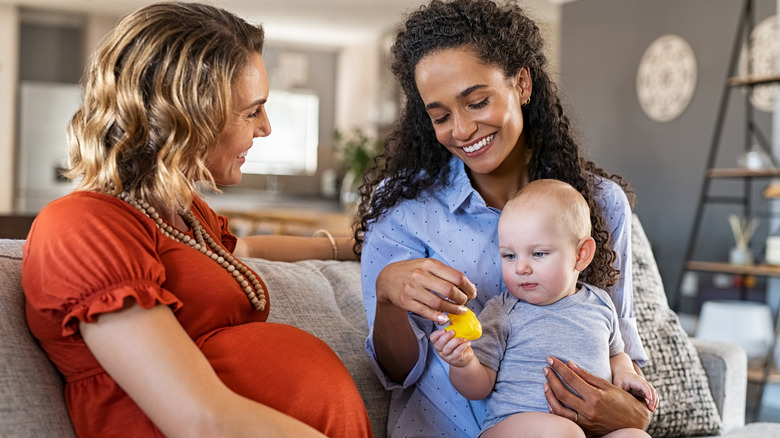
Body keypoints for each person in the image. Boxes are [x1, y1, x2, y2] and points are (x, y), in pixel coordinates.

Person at [22, 2, 371, 437]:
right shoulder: (81, 227)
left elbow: (243, 250)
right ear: (187, 114)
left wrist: (350, 245)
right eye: (252, 110)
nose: (266, 128)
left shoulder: (180, 211)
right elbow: (201, 420)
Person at [354, 0, 652, 436]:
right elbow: (398, 372)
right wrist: (388, 296)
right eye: (439, 116)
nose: (460, 130)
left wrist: (635, 412)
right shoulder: (406, 209)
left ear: (522, 84)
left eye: (476, 102)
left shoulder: (600, 204)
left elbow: (617, 345)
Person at [431, 179, 658, 438]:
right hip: (512, 428)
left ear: (581, 254)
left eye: (538, 254)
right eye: (509, 255)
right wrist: (462, 363)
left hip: (586, 431)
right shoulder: (504, 310)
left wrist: (626, 372)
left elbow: (616, 354)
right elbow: (479, 387)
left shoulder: (600, 303)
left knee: (636, 437)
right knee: (562, 432)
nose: (521, 268)